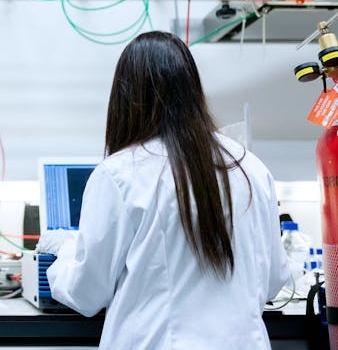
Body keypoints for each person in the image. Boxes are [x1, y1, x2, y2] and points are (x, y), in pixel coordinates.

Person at [37, 31, 290, 350]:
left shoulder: (120, 174)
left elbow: (87, 292)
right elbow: (272, 281)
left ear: (125, 98)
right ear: (193, 90)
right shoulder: (248, 166)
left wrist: (63, 251)